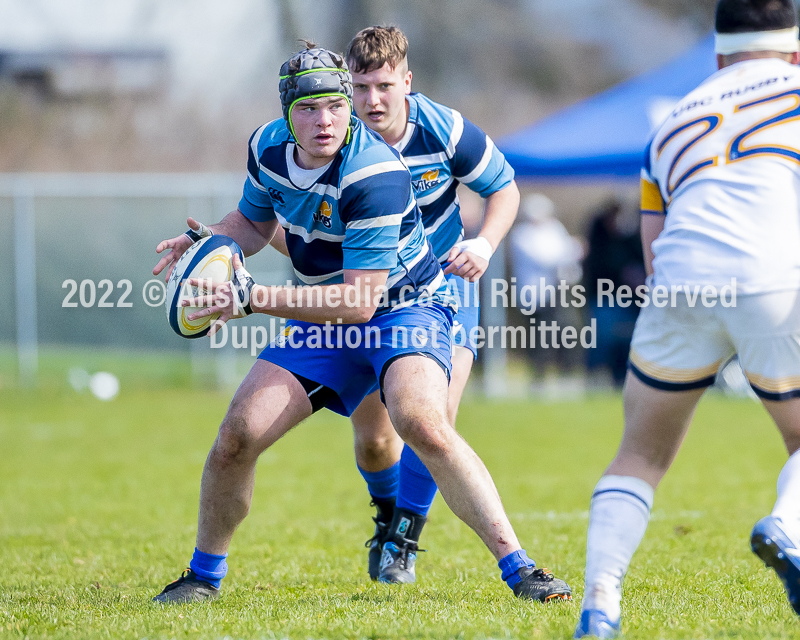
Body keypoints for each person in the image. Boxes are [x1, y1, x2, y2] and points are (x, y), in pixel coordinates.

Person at [150, 43, 571, 604]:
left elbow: (361, 304)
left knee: (420, 419)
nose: (323, 120)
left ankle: (521, 569)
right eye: (307, 108)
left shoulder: (375, 173)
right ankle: (203, 577)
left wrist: (248, 296)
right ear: (285, 113)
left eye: (333, 106)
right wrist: (216, 242)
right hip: (327, 311)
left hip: (406, 307)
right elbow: (253, 222)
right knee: (238, 435)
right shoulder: (267, 147)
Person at [575, 1, 800, 637]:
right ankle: (787, 526)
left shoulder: (672, 119)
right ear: (793, 47)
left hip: (678, 284)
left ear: (720, 52)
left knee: (639, 457)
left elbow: (652, 247)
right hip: (772, 279)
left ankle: (600, 604)